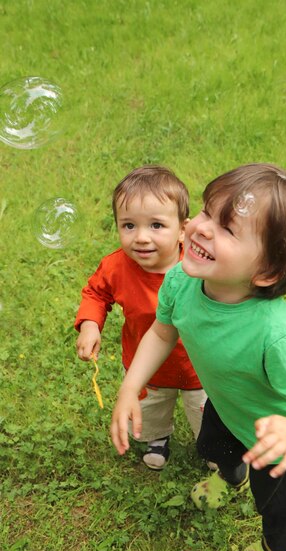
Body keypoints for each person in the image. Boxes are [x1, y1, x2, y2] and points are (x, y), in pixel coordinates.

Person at [110, 163, 286, 551]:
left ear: (266, 272)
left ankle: (282, 549)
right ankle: (231, 480)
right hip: (226, 407)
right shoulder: (180, 280)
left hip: (276, 440)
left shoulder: (276, 332)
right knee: (216, 452)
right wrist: (130, 385)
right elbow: (162, 333)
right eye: (207, 213)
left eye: (228, 229)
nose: (200, 228)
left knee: (279, 508)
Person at [75, 165, 206, 470]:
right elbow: (96, 293)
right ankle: (157, 437)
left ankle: (212, 444)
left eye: (157, 225)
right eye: (129, 225)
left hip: (199, 365)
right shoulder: (116, 267)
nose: (141, 237)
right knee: (150, 408)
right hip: (145, 365)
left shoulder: (200, 266)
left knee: (205, 412)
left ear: (183, 229)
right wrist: (91, 324)